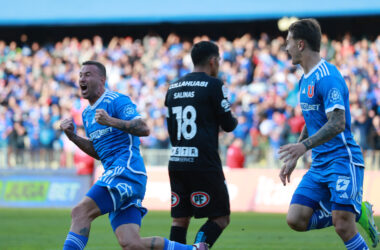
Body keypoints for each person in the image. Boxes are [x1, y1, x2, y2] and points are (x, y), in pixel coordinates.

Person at [60, 61, 208, 250]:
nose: (82, 78)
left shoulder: (116, 101)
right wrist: (73, 137)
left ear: (102, 79)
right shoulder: (87, 114)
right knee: (131, 243)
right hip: (121, 174)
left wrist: (110, 120)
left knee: (80, 212)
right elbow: (100, 152)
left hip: (126, 170)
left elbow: (144, 128)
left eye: (88, 74)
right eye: (80, 75)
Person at [279, 19, 379, 249]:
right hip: (320, 164)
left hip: (343, 160)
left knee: (342, 226)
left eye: (289, 43)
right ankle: (356, 211)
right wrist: (296, 152)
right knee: (295, 219)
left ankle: (350, 213)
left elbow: (337, 123)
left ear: (301, 44)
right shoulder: (305, 78)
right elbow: (311, 120)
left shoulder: (328, 77)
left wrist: (303, 147)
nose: (286, 48)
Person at [165, 41, 238, 248]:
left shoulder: (173, 87)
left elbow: (171, 127)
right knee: (221, 217)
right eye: (220, 61)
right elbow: (228, 124)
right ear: (213, 61)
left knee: (180, 219)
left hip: (177, 160)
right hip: (203, 162)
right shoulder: (214, 85)